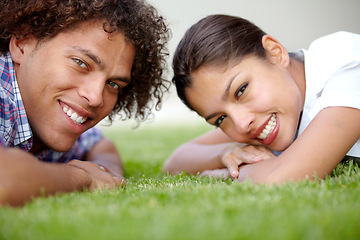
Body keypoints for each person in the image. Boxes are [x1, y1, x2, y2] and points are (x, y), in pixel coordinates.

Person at [0, 0, 169, 206]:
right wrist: (80, 177)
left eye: (113, 84)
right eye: (80, 63)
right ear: (22, 42)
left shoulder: (46, 113)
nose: (96, 97)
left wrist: (102, 170)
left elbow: (99, 144)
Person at [163, 14, 360, 184]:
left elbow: (283, 178)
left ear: (275, 53)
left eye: (240, 91)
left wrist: (222, 174)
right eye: (220, 119)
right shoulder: (268, 113)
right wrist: (226, 153)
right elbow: (175, 162)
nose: (241, 125)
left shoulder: (347, 68)